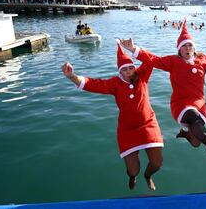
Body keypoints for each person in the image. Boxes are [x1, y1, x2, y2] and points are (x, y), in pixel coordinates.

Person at [120, 19, 206, 155]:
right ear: (179, 49)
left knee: (195, 143)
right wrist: (134, 49)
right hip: (180, 103)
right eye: (184, 46)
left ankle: (186, 134)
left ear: (194, 48)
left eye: (190, 45)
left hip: (199, 102)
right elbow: (153, 60)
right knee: (192, 116)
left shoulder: (203, 59)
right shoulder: (173, 61)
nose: (187, 48)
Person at [61, 43, 164, 190]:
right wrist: (72, 76)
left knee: (157, 163)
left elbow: (151, 60)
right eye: (125, 69)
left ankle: (148, 176)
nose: (129, 71)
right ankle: (132, 177)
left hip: (148, 124)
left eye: (131, 68)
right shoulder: (115, 84)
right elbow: (92, 84)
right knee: (133, 170)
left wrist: (133, 49)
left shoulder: (142, 76)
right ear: (120, 73)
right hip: (127, 130)